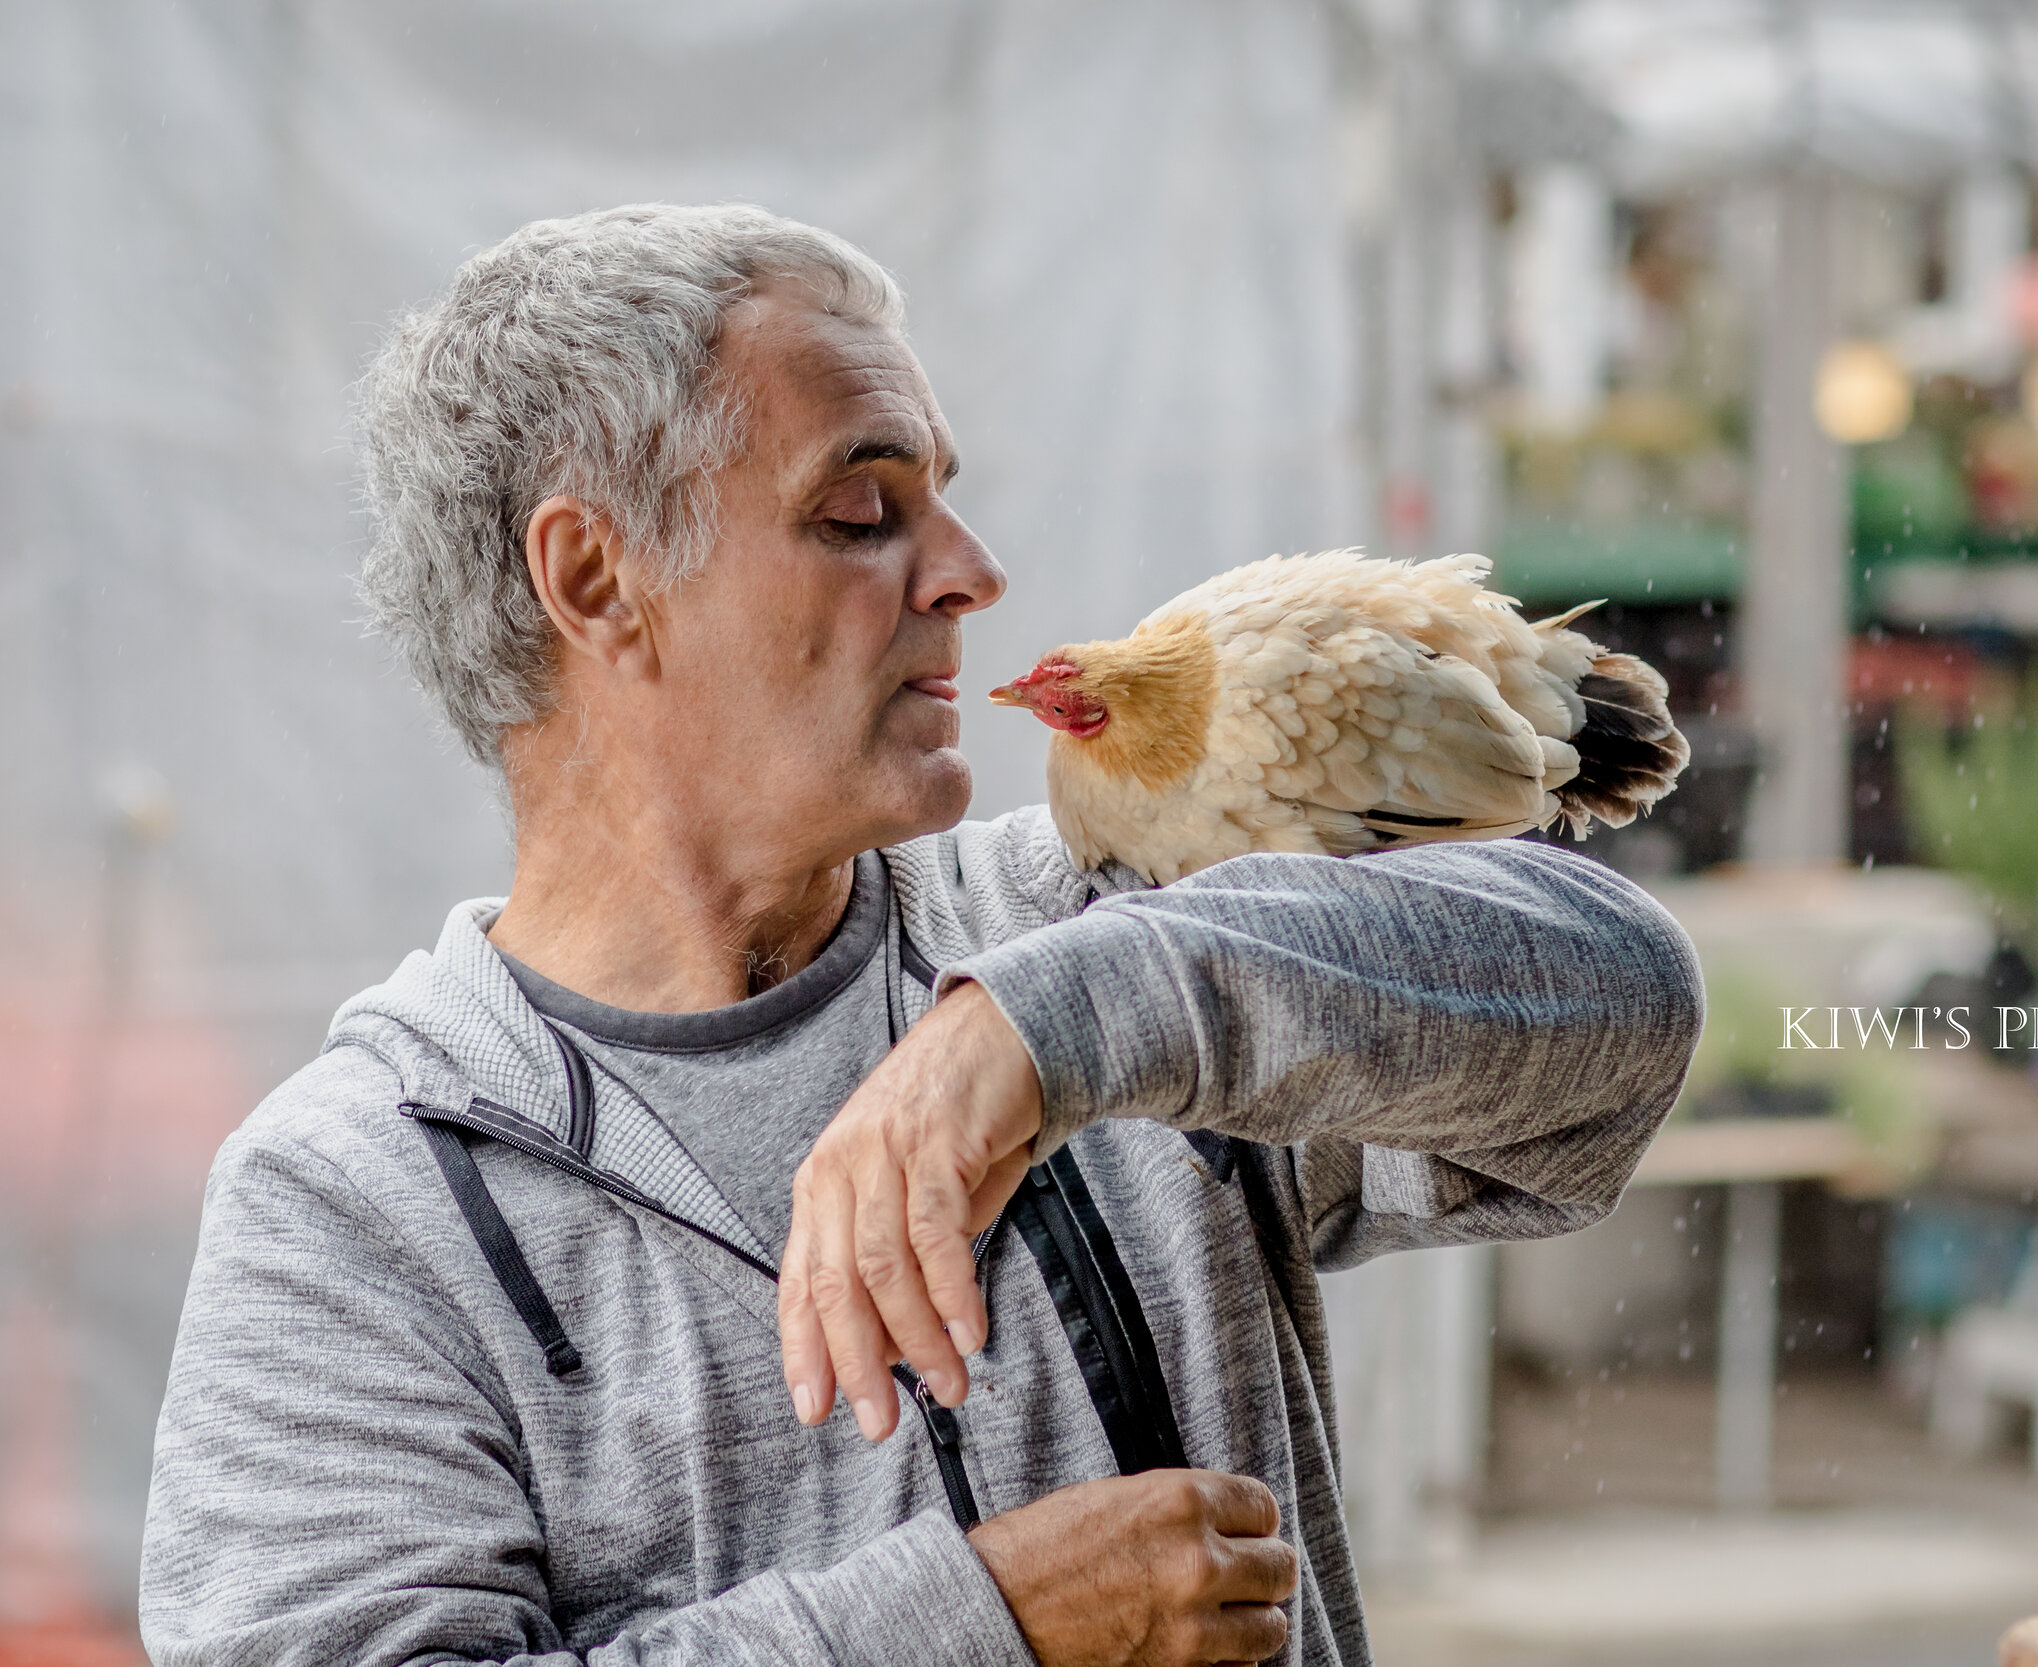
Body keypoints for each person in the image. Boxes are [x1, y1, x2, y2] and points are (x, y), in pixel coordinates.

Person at [139, 204, 1702, 1667]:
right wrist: (983, 1624)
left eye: (944, 499)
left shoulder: (1103, 921)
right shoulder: (354, 1202)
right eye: (861, 511)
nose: (968, 573)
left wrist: (1060, 1024)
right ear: (594, 576)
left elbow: (1619, 1022)